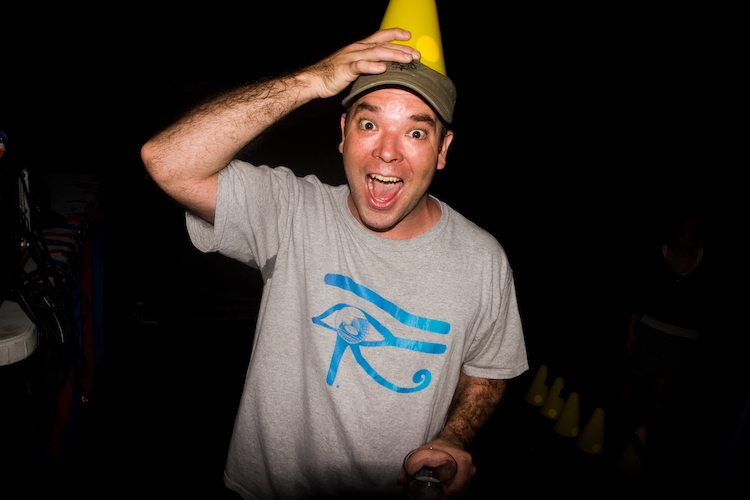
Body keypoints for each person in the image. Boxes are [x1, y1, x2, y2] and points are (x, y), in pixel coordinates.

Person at [141, 28, 528, 499]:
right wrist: (311, 80)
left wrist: (454, 438)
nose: (388, 151)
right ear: (343, 134)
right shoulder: (291, 211)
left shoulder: (483, 260)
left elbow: (489, 366)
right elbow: (167, 161)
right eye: (369, 124)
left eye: (415, 132)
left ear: (443, 150)